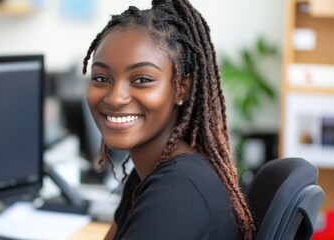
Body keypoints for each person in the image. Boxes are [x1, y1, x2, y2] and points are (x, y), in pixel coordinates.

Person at [82, 0, 255, 239]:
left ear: (182, 88)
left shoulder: (177, 193)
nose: (115, 98)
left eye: (142, 79)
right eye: (101, 78)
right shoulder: (150, 173)